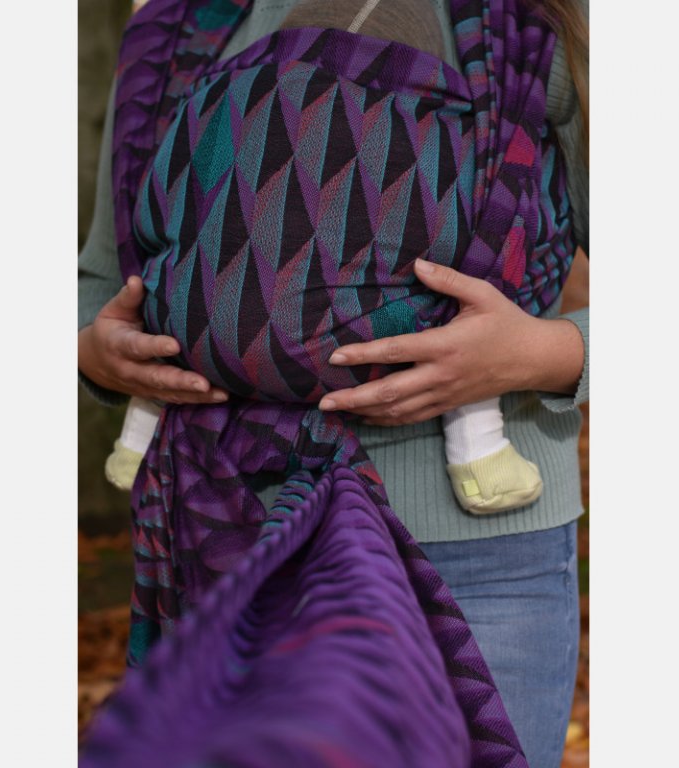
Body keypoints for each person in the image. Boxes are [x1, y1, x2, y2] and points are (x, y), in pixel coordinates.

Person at [78, 1, 588, 765]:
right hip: (219, 538)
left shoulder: (542, 19)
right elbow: (99, 278)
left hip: (475, 559)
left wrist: (541, 354)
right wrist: (95, 351)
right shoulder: (178, 27)